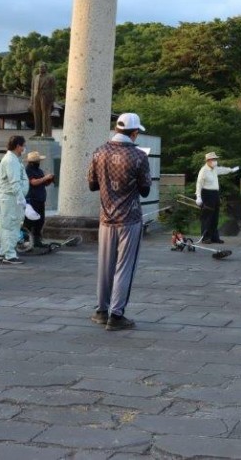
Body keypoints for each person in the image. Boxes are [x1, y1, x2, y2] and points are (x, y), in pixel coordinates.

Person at [88, 113, 152, 332]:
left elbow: (92, 184)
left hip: (106, 218)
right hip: (129, 217)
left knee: (105, 265)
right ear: (134, 133)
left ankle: (101, 310)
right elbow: (145, 190)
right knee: (124, 267)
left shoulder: (99, 152)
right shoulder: (138, 156)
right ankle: (116, 315)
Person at [0, 135, 29, 265]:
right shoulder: (11, 160)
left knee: (7, 225)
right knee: (10, 226)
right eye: (23, 146)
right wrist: (21, 199)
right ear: (18, 146)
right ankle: (9, 255)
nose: (24, 149)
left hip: (11, 198)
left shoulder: (12, 159)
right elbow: (14, 182)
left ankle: (5, 252)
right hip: (11, 198)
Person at [195, 151, 239, 245]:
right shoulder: (203, 170)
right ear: (208, 160)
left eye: (215, 159)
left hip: (215, 194)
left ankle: (214, 237)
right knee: (207, 217)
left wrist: (231, 170)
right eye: (214, 159)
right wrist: (198, 197)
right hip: (206, 194)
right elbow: (199, 184)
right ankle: (205, 237)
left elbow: (222, 170)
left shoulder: (214, 169)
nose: (215, 161)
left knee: (215, 216)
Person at [25, 150, 55, 248]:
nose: (39, 163)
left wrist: (49, 180)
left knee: (40, 221)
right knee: (30, 221)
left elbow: (43, 183)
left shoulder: (39, 171)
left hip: (40, 198)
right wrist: (45, 178)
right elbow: (33, 182)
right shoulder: (28, 170)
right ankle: (26, 240)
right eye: (38, 161)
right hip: (32, 199)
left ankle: (37, 240)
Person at [31, 62, 56, 138]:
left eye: (42, 67)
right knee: (36, 115)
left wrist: (52, 100)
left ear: (46, 68)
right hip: (36, 97)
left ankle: (46, 133)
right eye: (39, 67)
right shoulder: (35, 77)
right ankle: (37, 132)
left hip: (45, 97)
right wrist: (32, 100)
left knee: (45, 115)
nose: (40, 68)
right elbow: (32, 89)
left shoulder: (50, 77)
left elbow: (53, 89)